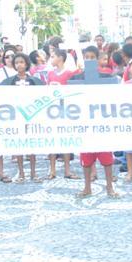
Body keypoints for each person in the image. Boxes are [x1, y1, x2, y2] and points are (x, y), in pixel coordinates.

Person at [2, 53, 44, 182]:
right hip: (16, 116)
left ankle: (33, 173)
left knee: (31, 146)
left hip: (31, 116)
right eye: (16, 63)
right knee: (19, 145)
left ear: (26, 64)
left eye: (21, 62)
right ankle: (21, 173)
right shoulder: (9, 82)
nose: (19, 65)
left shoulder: (34, 81)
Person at [45, 49, 80, 180]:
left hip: (65, 110)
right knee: (52, 140)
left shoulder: (70, 73)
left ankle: (67, 169)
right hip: (52, 111)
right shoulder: (50, 74)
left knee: (65, 140)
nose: (51, 59)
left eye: (53, 56)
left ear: (60, 58)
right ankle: (52, 169)